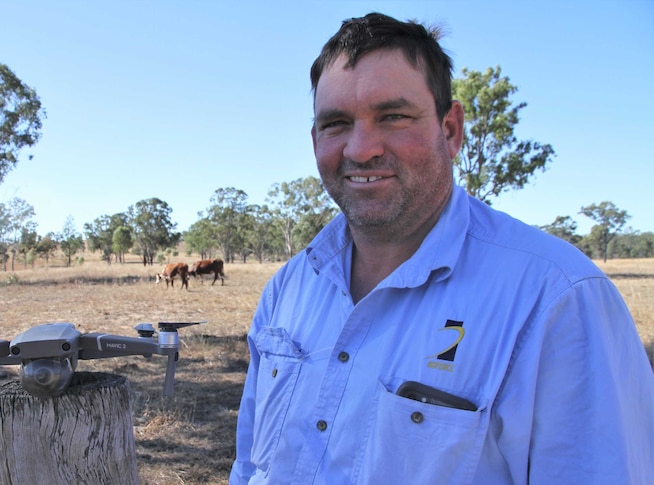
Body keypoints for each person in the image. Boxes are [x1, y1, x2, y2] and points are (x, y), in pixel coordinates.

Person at [230, 12, 654, 484]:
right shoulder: (287, 290)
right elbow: (249, 465)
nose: (361, 148)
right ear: (315, 141)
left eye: (393, 116)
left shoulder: (556, 299)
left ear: (450, 130)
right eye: (336, 123)